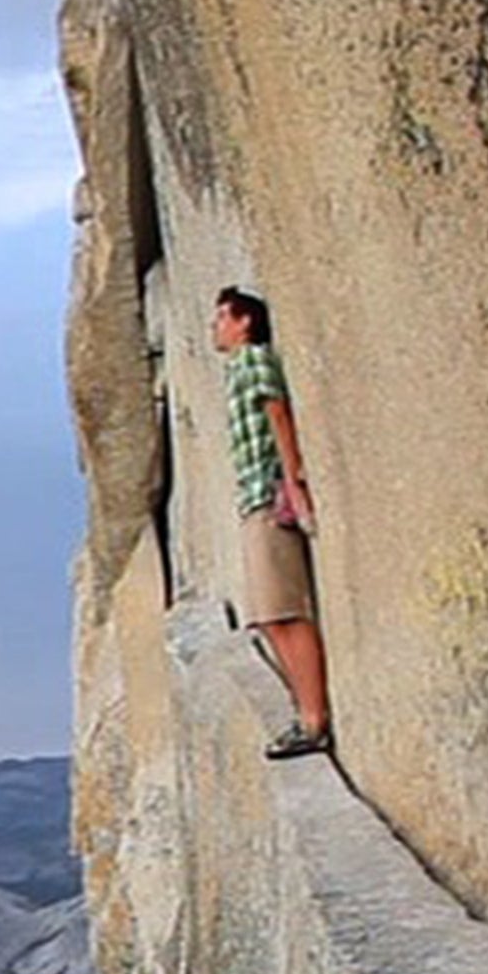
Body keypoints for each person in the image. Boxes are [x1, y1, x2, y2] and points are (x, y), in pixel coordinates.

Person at [211, 286, 332, 759]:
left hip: (267, 494)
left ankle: (313, 719)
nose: (215, 326)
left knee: (284, 612)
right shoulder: (235, 370)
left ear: (245, 323)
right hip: (252, 499)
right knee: (268, 616)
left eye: (223, 316)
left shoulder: (254, 360)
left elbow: (278, 413)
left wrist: (294, 479)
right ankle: (305, 713)